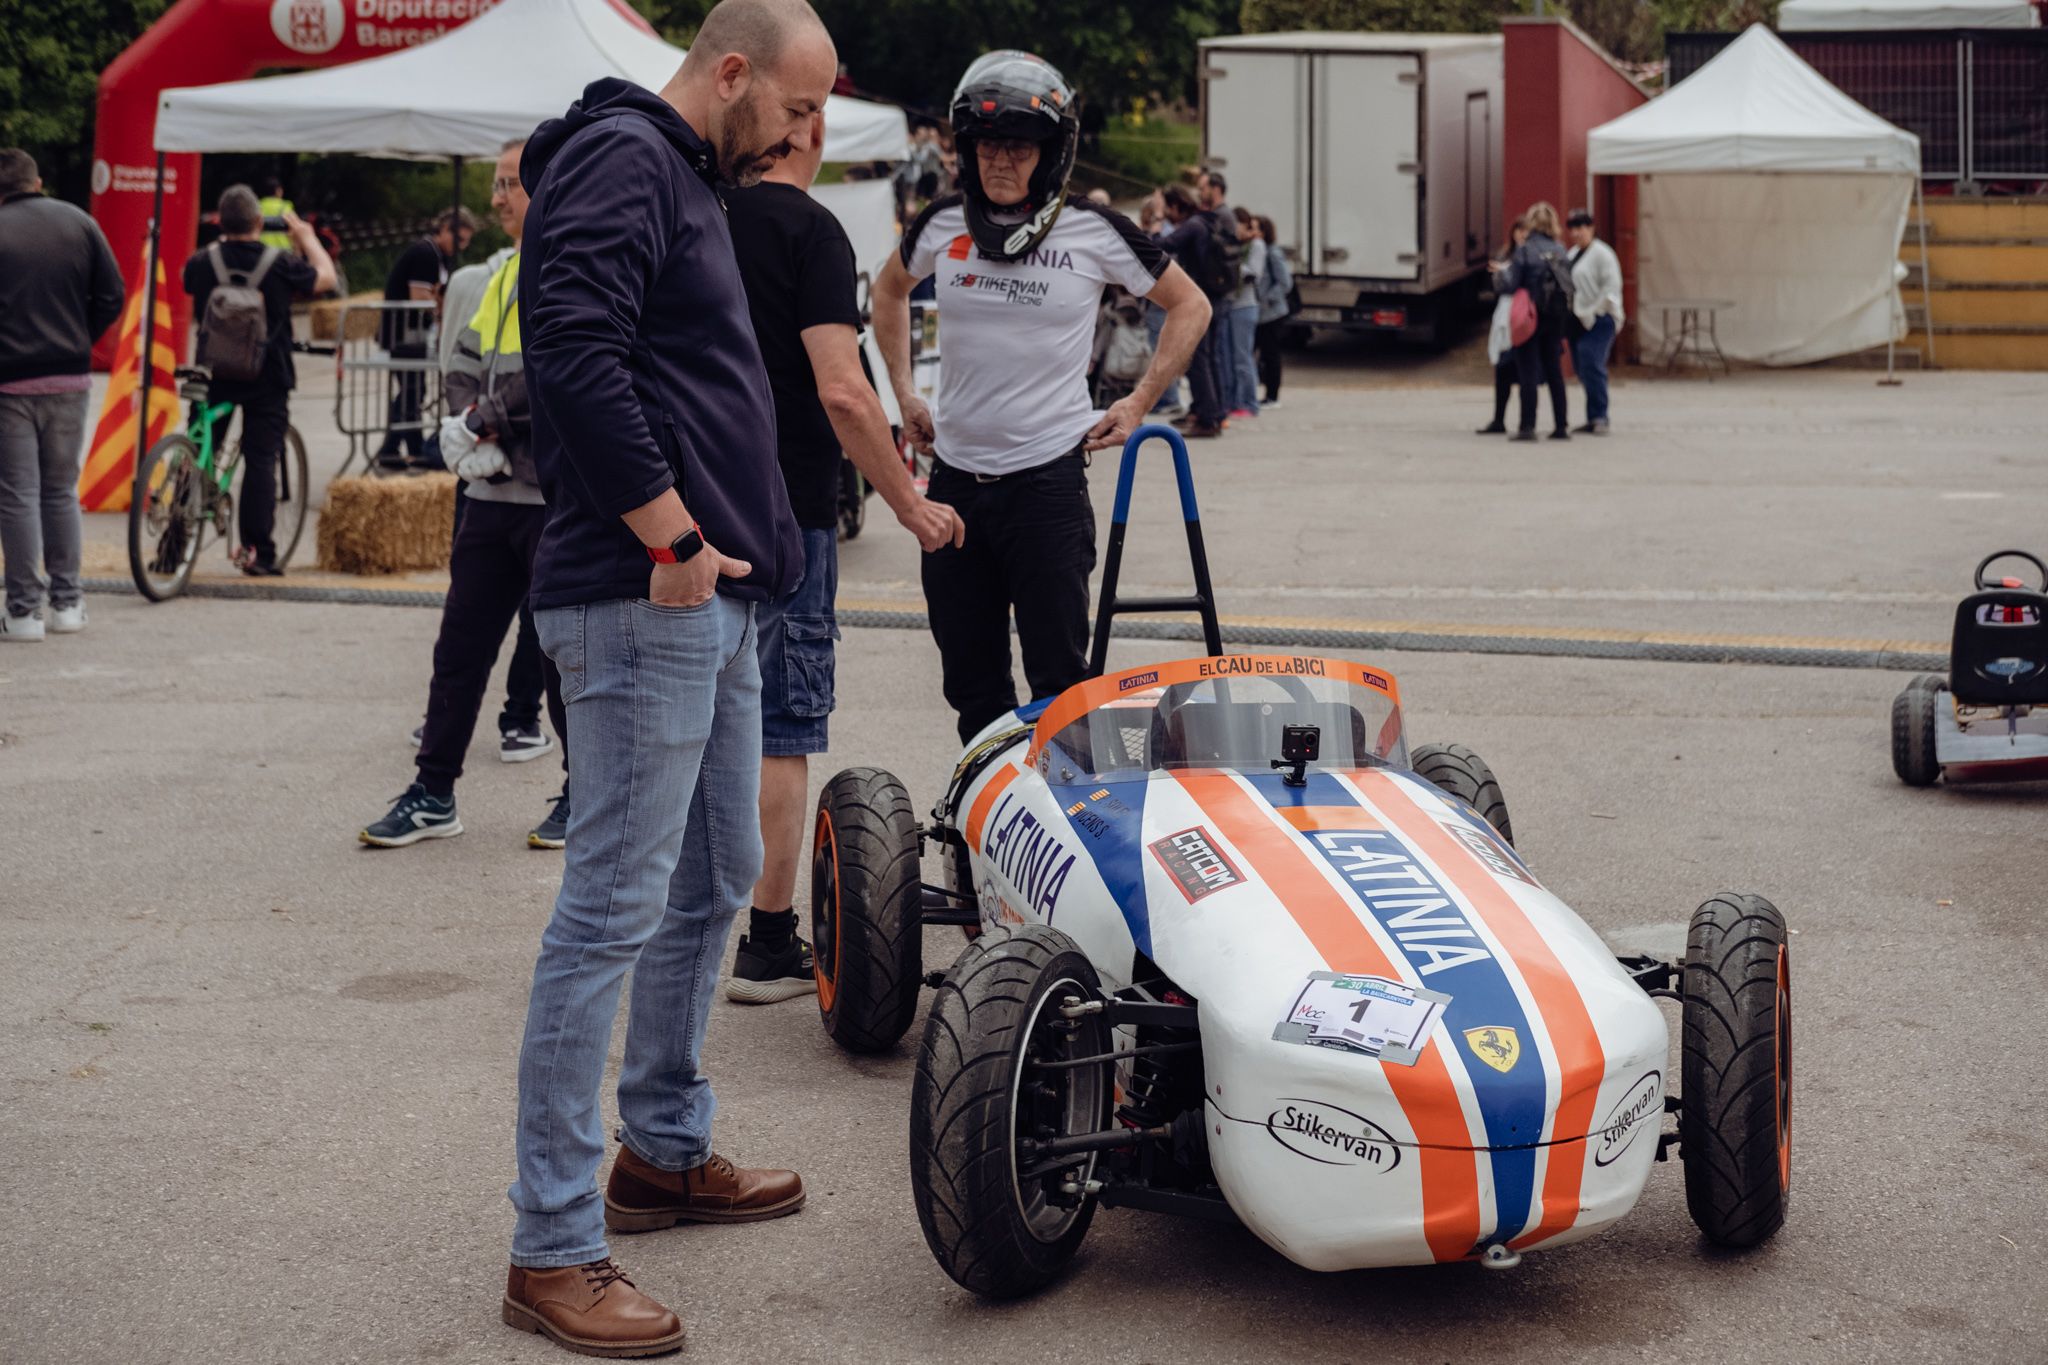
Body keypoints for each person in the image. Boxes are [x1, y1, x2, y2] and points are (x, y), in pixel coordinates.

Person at [503, 1, 836, 1354]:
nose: (803, 135)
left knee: (706, 884)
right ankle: (551, 1245)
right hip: (645, 592)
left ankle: (663, 1149)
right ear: (734, 71)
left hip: (717, 598)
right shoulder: (627, 157)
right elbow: (569, 345)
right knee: (612, 909)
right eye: (798, 108)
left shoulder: (683, 172)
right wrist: (673, 531)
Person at [872, 50, 1209, 746]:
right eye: (988, 144)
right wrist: (904, 390)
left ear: (1049, 153)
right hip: (956, 485)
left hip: (1046, 486)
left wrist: (1141, 400)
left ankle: (1062, 830)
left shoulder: (1092, 229)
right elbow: (888, 291)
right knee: (972, 684)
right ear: (966, 148)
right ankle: (982, 839)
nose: (1000, 161)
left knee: (1060, 683)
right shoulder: (941, 223)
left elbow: (1191, 304)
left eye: (1019, 147)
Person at [722, 109, 963, 1004]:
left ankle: (671, 931)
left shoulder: (696, 215)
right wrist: (910, 503)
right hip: (786, 513)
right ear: (809, 132)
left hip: (689, 511)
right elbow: (840, 389)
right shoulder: (811, 231)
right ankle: (768, 939)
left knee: (698, 726)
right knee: (781, 727)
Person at [360, 140, 573, 852]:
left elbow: (562, 373)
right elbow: (463, 366)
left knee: (561, 660)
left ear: (547, 188)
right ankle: (433, 791)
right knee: (459, 649)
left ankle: (585, 793)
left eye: (509, 183)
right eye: (494, 183)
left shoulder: (575, 264)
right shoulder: (501, 274)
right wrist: (469, 433)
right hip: (494, 496)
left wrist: (488, 425)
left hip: (553, 499)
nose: (495, 198)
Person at [0, 148, 125, 642]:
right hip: (71, 378)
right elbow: (112, 294)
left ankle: (24, 613)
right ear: (38, 181)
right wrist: (79, 338)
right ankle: (68, 604)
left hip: (8, 382)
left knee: (17, 496)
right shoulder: (79, 222)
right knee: (59, 490)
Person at [180, 185, 336, 576]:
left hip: (213, 374)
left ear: (219, 221)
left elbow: (187, 283)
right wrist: (308, 238)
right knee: (261, 460)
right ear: (256, 222)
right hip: (267, 376)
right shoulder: (279, 262)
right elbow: (326, 278)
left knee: (198, 451)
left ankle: (171, 547)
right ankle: (258, 552)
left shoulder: (201, 262)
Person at [374, 208, 475, 471]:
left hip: (410, 334)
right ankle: (400, 449)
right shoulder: (425, 253)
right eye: (459, 240)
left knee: (413, 391)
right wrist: (442, 308)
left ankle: (401, 448)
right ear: (444, 230)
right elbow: (418, 298)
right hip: (404, 334)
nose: (461, 247)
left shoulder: (434, 254)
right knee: (412, 391)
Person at [1492, 200, 1572, 443]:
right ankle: (1561, 425)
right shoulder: (1560, 250)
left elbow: (1510, 284)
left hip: (1530, 318)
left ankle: (1528, 426)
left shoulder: (1525, 250)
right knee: (1554, 372)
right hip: (1554, 319)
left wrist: (1500, 273)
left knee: (1528, 371)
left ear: (1531, 224)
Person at [1157, 184, 1225, 438]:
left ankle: (1207, 420)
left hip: (1200, 299)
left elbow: (1163, 245)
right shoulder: (1205, 222)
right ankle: (1209, 411)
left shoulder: (1193, 225)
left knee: (1197, 360)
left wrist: (1153, 223)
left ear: (1176, 206)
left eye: (1167, 209)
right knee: (1208, 358)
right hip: (1215, 298)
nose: (1166, 215)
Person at [1567, 207, 1624, 436]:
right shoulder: (1572, 255)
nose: (1578, 233)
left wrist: (1594, 310)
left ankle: (1601, 415)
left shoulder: (1603, 254)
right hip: (1578, 319)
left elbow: (1611, 287)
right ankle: (1592, 416)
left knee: (1591, 359)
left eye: (1582, 228)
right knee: (1583, 367)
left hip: (1601, 317)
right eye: (1574, 229)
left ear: (1591, 228)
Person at [1478, 217, 1530, 435]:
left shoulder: (1531, 255)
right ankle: (1498, 418)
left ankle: (1526, 422)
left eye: (1525, 230)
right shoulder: (1504, 254)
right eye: (1518, 230)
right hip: (1506, 315)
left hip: (1524, 316)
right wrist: (1505, 272)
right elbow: (1499, 286)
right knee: (1502, 370)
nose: (1521, 235)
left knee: (1525, 372)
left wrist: (1507, 272)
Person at [1252, 214, 1293, 409]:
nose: (1253, 233)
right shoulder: (1258, 250)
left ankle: (1272, 395)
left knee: (1271, 355)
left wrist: (1266, 299)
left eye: (1257, 229)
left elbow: (1285, 282)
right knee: (1260, 354)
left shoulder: (1272, 252)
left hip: (1272, 313)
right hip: (1262, 313)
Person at [1227, 206, 1263, 418]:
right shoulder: (1240, 245)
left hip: (1245, 306)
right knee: (1233, 358)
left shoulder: (1255, 246)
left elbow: (1253, 273)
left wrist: (1230, 267)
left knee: (1243, 358)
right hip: (1233, 305)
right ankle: (1236, 401)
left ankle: (1250, 403)